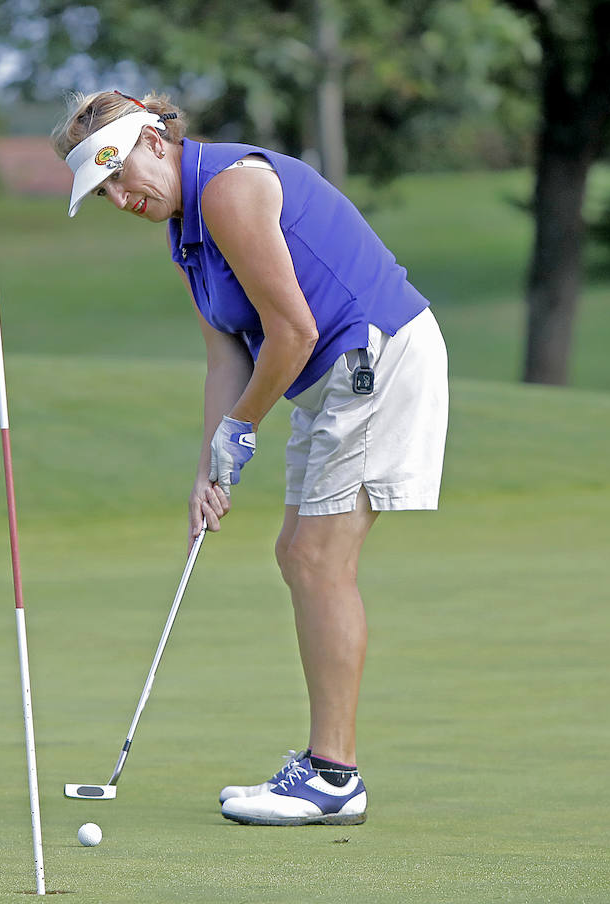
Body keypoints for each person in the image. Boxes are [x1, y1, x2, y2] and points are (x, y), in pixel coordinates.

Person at [53, 90, 448, 827]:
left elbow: (292, 331)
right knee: (298, 553)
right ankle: (328, 769)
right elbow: (225, 358)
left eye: (117, 174)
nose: (117, 197)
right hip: (329, 376)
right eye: (100, 190)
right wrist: (211, 464)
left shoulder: (232, 189)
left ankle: (334, 777)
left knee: (318, 558)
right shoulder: (185, 236)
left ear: (155, 142)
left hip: (373, 358)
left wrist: (243, 429)